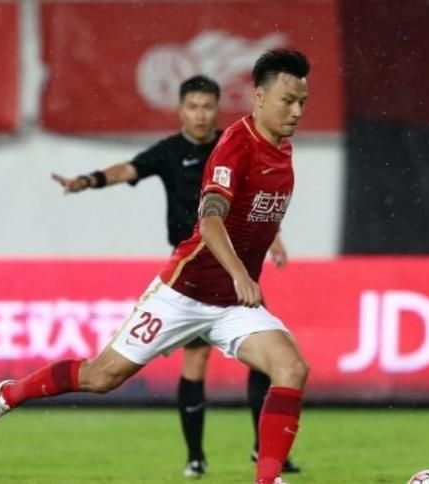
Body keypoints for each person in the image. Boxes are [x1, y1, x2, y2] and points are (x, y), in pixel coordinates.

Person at [0, 49, 311, 484]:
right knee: (101, 377)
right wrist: (240, 273)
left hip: (232, 305)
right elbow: (210, 220)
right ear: (259, 97)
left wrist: (266, 246)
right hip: (183, 294)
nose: (296, 111)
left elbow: (253, 215)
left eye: (302, 102)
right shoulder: (234, 147)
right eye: (287, 101)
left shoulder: (282, 150)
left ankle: (266, 479)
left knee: (291, 368)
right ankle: (11, 393)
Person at [49, 74, 299, 477]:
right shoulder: (169, 152)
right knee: (194, 364)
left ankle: (263, 451)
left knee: (270, 361)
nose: (200, 115)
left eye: (207, 107)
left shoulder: (233, 144)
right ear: (181, 110)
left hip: (234, 269)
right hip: (192, 274)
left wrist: (276, 239)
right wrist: (87, 181)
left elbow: (255, 200)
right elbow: (129, 169)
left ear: (217, 109)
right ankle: (196, 457)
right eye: (193, 107)